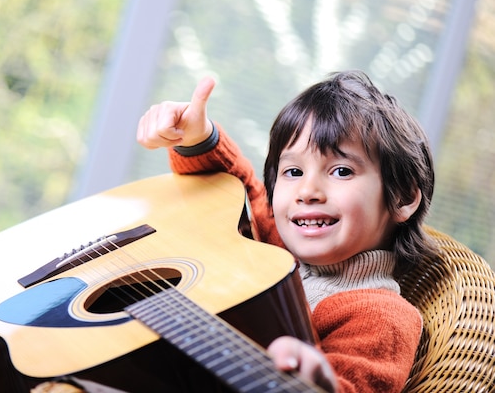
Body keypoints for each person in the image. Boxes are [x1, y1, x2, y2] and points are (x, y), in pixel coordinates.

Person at [136, 70, 437, 392]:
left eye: (341, 170)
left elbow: (353, 384)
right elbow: (235, 189)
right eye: (293, 171)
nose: (307, 191)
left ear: (403, 197)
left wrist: (317, 381)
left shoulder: (383, 315)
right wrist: (196, 137)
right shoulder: (276, 245)